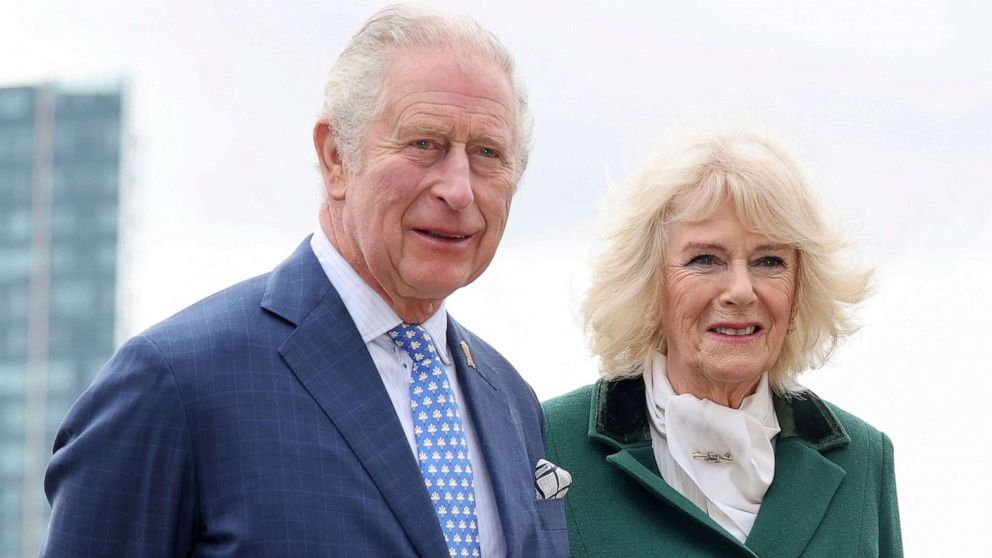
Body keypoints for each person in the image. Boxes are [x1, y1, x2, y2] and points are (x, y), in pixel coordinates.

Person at [42, 5, 568, 557]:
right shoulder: (175, 382)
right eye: (424, 144)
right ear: (336, 157)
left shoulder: (510, 399)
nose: (458, 190)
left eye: (487, 153)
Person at [542, 131, 902, 557]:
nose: (741, 291)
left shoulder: (861, 458)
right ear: (650, 283)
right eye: (705, 260)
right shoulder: (549, 442)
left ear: (801, 287)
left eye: (769, 261)